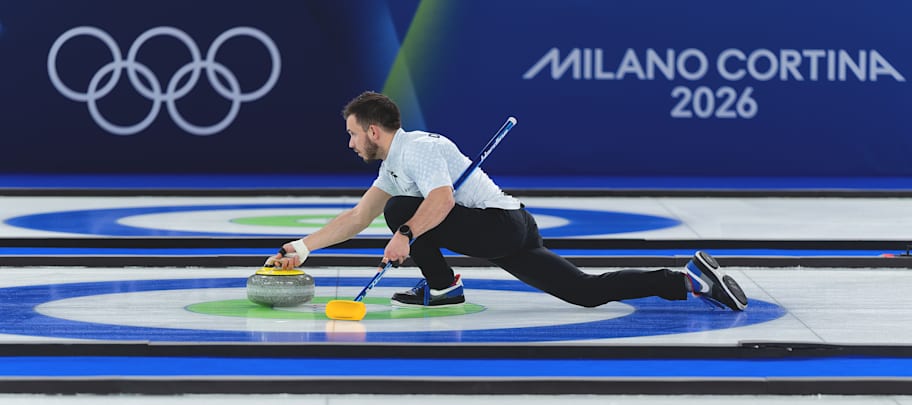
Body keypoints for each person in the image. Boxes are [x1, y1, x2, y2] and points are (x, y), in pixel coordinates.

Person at [267, 91, 748, 311]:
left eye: (353, 134)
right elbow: (357, 216)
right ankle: (685, 279)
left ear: (374, 130)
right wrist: (300, 248)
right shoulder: (392, 164)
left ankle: (444, 287)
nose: (350, 143)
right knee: (585, 293)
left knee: (401, 213)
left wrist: (406, 236)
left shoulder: (420, 148)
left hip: (500, 225)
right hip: (509, 231)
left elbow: (436, 203)